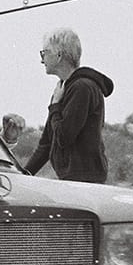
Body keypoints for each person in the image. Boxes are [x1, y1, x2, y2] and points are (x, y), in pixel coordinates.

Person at [19, 27, 113, 183]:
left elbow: (63, 137)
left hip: (85, 180)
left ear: (59, 55)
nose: (42, 60)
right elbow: (47, 143)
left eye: (44, 53)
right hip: (72, 179)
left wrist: (55, 106)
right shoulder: (63, 89)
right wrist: (22, 178)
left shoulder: (82, 88)